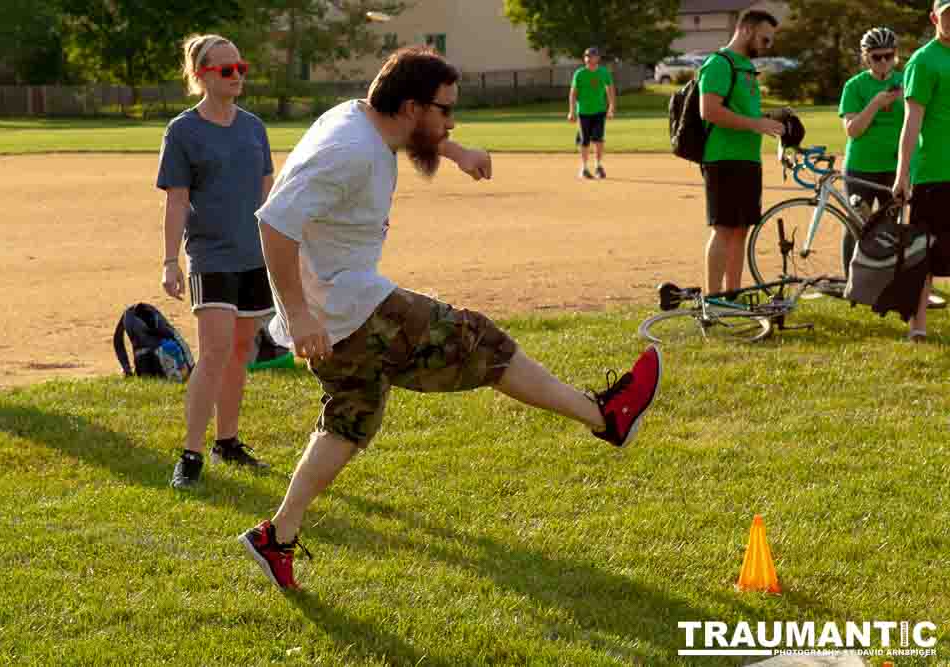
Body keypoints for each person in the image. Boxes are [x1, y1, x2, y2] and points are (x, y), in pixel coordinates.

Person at [238, 46, 662, 590]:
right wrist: (297, 315)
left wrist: (455, 149)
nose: (451, 119)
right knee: (481, 341)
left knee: (350, 418)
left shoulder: (360, 118)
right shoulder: (348, 150)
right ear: (413, 107)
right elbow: (274, 223)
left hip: (335, 313)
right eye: (445, 111)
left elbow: (407, 139)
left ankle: (278, 534)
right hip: (351, 306)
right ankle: (607, 416)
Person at [157, 34, 276, 489]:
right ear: (201, 75)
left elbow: (268, 189)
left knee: (241, 351)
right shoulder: (183, 131)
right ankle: (190, 454)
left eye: (240, 67)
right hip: (210, 256)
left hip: (254, 256)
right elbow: (176, 202)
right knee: (215, 351)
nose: (237, 76)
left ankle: (227, 441)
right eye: (227, 70)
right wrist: (171, 261)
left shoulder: (253, 127)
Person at [698, 10, 783, 296]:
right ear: (746, 30)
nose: (767, 46)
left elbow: (746, 114)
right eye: (764, 39)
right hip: (723, 159)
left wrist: (773, 119)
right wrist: (756, 123)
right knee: (723, 228)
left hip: (748, 159)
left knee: (741, 229)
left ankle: (732, 295)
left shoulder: (745, 67)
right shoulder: (719, 64)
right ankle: (714, 298)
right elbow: (709, 110)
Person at [893, 0, 950, 341]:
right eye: (948, 15)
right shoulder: (923, 61)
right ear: (934, 18)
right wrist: (902, 174)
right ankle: (918, 326)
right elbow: (911, 123)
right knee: (924, 253)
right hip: (934, 173)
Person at [838, 27, 904, 274]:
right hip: (860, 167)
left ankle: (886, 278)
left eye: (888, 55)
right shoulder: (854, 86)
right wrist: (876, 103)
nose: (883, 61)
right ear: (866, 57)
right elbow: (853, 130)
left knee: (892, 226)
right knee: (856, 226)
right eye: (877, 57)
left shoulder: (906, 80)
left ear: (895, 55)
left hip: (895, 167)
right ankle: (851, 280)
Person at [567, 46, 616, 179]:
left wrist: (611, 107)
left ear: (598, 58)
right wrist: (571, 111)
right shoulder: (580, 73)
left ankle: (598, 166)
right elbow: (573, 93)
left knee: (599, 139)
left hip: (599, 111)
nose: (589, 58)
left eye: (592, 56)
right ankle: (583, 168)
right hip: (583, 112)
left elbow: (610, 89)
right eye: (587, 56)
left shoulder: (604, 72)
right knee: (585, 140)